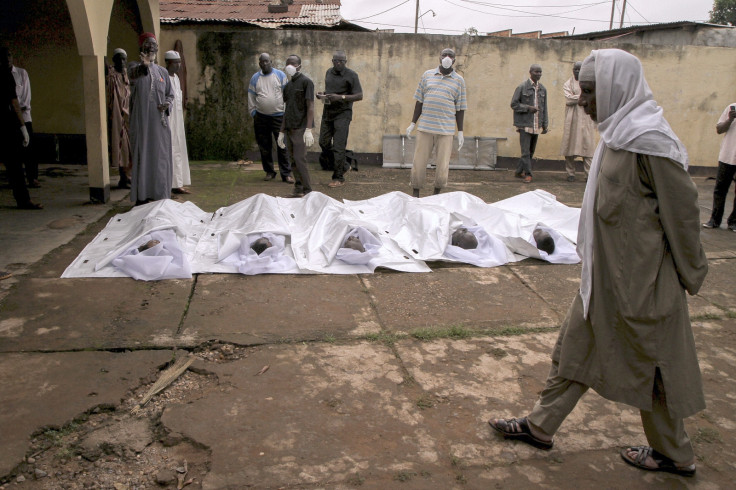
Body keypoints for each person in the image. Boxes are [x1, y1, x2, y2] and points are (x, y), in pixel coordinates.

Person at [489, 49, 708, 478]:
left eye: (590, 91)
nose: (583, 99)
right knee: (575, 349)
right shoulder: (616, 133)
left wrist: (689, 274)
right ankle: (540, 426)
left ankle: (675, 455)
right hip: (603, 279)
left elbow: (682, 215)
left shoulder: (651, 141)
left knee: (654, 365)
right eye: (583, 90)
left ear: (616, 89)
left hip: (643, 283)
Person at [406, 48, 467, 198]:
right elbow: (419, 101)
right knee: (418, 163)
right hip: (425, 127)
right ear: (439, 58)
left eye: (450, 56)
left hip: (446, 130)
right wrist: (413, 123)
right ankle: (416, 194)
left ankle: (436, 195)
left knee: (442, 167)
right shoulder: (427, 75)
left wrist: (460, 132)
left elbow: (460, 108)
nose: (447, 57)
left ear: (454, 60)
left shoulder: (459, 80)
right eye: (444, 55)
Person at [128, 33, 174, 205]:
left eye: (154, 45)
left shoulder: (162, 71)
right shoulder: (134, 68)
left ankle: (160, 195)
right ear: (141, 47)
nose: (151, 48)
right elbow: (133, 76)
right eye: (148, 44)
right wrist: (144, 66)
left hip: (160, 125)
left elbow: (170, 93)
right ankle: (142, 196)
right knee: (143, 156)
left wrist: (166, 104)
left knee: (160, 158)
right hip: (142, 125)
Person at [0, 47, 41, 209]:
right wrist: (23, 127)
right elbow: (14, 103)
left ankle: (24, 197)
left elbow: (21, 102)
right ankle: (23, 200)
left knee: (15, 164)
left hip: (9, 122)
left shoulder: (19, 74)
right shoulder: (6, 75)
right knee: (14, 165)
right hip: (8, 125)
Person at [316, 50, 363, 188]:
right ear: (332, 61)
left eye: (341, 61)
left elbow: (359, 95)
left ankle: (338, 177)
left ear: (345, 62)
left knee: (338, 146)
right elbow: (329, 91)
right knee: (323, 143)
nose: (338, 63)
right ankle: (345, 165)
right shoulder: (328, 73)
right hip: (328, 113)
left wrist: (341, 97)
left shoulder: (352, 75)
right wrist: (323, 94)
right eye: (335, 60)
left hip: (343, 114)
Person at [248, 53, 292, 183]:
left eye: (267, 61)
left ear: (271, 61)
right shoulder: (255, 78)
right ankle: (269, 172)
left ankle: (286, 174)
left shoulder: (280, 75)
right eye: (262, 62)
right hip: (261, 117)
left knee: (282, 145)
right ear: (259, 63)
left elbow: (287, 94)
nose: (264, 64)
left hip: (279, 117)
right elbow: (251, 96)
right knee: (264, 146)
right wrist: (253, 112)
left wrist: (286, 112)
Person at [277, 54, 315, 198]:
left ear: (299, 65)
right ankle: (298, 187)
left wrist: (308, 129)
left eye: (293, 63)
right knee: (292, 160)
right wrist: (281, 132)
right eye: (288, 64)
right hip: (289, 127)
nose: (290, 66)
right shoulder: (287, 87)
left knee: (300, 159)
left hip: (301, 127)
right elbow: (286, 110)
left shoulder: (307, 83)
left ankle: (308, 191)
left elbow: (310, 106)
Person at [511, 64, 548, 183]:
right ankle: (528, 174)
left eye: (540, 72)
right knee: (525, 151)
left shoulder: (543, 89)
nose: (539, 74)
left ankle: (518, 171)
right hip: (524, 125)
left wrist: (545, 124)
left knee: (531, 151)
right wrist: (528, 108)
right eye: (536, 72)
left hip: (536, 125)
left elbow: (544, 108)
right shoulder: (522, 87)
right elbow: (514, 104)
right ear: (530, 72)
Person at [560, 61, 596, 182]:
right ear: (572, 70)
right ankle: (570, 173)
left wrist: (578, 96)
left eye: (580, 69)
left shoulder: (588, 83)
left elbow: (591, 97)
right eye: (575, 69)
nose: (577, 71)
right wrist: (583, 96)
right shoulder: (568, 83)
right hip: (572, 119)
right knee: (570, 145)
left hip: (586, 118)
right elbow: (568, 99)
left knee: (588, 147)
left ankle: (588, 175)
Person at [702, 103, 736, 231]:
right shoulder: (731, 107)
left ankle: (733, 222)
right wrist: (730, 119)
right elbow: (719, 129)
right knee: (720, 189)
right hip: (727, 156)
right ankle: (714, 220)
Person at [165, 50, 191, 195]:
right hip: (168, 120)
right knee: (170, 150)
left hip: (178, 120)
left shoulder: (176, 78)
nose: (179, 65)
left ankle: (178, 183)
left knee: (178, 150)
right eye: (176, 63)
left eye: (179, 62)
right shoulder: (164, 77)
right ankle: (169, 184)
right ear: (168, 63)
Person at [8, 52, 36, 188]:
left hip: (23, 115)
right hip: (10, 117)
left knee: (29, 149)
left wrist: (19, 108)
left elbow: (25, 97)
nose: (7, 59)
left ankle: (32, 177)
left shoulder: (21, 73)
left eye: (8, 55)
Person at [106, 48, 132, 189]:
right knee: (123, 150)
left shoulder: (127, 76)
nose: (122, 62)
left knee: (131, 149)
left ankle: (128, 177)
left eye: (124, 59)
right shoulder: (112, 75)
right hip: (117, 116)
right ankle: (125, 178)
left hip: (129, 116)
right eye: (119, 59)